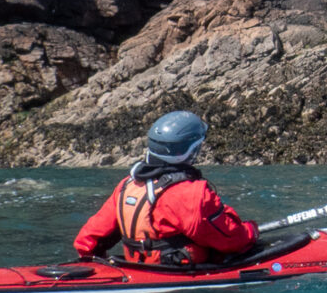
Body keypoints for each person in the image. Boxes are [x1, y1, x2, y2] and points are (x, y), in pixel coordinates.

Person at [74, 111, 260, 265]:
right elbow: (230, 240)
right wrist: (251, 230)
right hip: (175, 279)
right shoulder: (190, 193)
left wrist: (96, 264)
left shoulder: (128, 185)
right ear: (191, 151)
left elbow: (88, 241)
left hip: (138, 268)